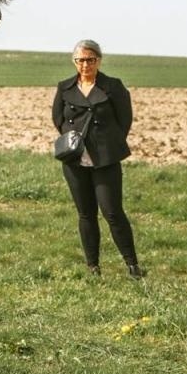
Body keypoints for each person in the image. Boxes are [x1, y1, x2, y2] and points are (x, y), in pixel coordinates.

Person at [53, 40, 143, 278]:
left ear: (99, 61)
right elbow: (58, 120)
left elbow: (124, 120)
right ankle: (93, 267)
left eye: (90, 60)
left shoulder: (113, 86)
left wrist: (106, 143)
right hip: (75, 161)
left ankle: (132, 266)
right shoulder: (64, 87)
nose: (85, 65)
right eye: (81, 60)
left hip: (105, 159)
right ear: (74, 62)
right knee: (85, 214)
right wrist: (74, 143)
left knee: (112, 212)